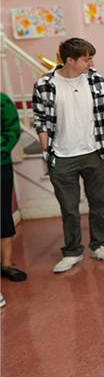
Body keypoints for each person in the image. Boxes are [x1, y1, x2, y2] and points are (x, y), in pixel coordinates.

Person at [32, 37, 104, 273]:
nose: (91, 63)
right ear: (70, 60)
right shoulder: (45, 84)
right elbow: (40, 119)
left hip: (95, 152)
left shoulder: (97, 80)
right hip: (61, 156)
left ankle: (100, 245)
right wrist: (46, 148)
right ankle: (72, 251)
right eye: (86, 59)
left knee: (99, 203)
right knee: (69, 208)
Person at [1, 92, 26, 284]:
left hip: (1, 166)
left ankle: (7, 264)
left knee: (2, 213)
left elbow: (13, 131)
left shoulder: (2, 101)